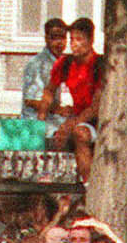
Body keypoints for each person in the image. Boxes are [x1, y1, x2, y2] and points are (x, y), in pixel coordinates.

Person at [45, 16, 105, 184]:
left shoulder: (99, 65)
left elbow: (95, 107)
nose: (74, 44)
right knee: (38, 134)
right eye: (71, 39)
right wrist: (48, 111)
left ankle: (89, 186)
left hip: (96, 121)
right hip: (74, 117)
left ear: (91, 40)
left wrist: (70, 124)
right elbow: (49, 90)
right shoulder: (65, 63)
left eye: (79, 39)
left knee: (80, 134)